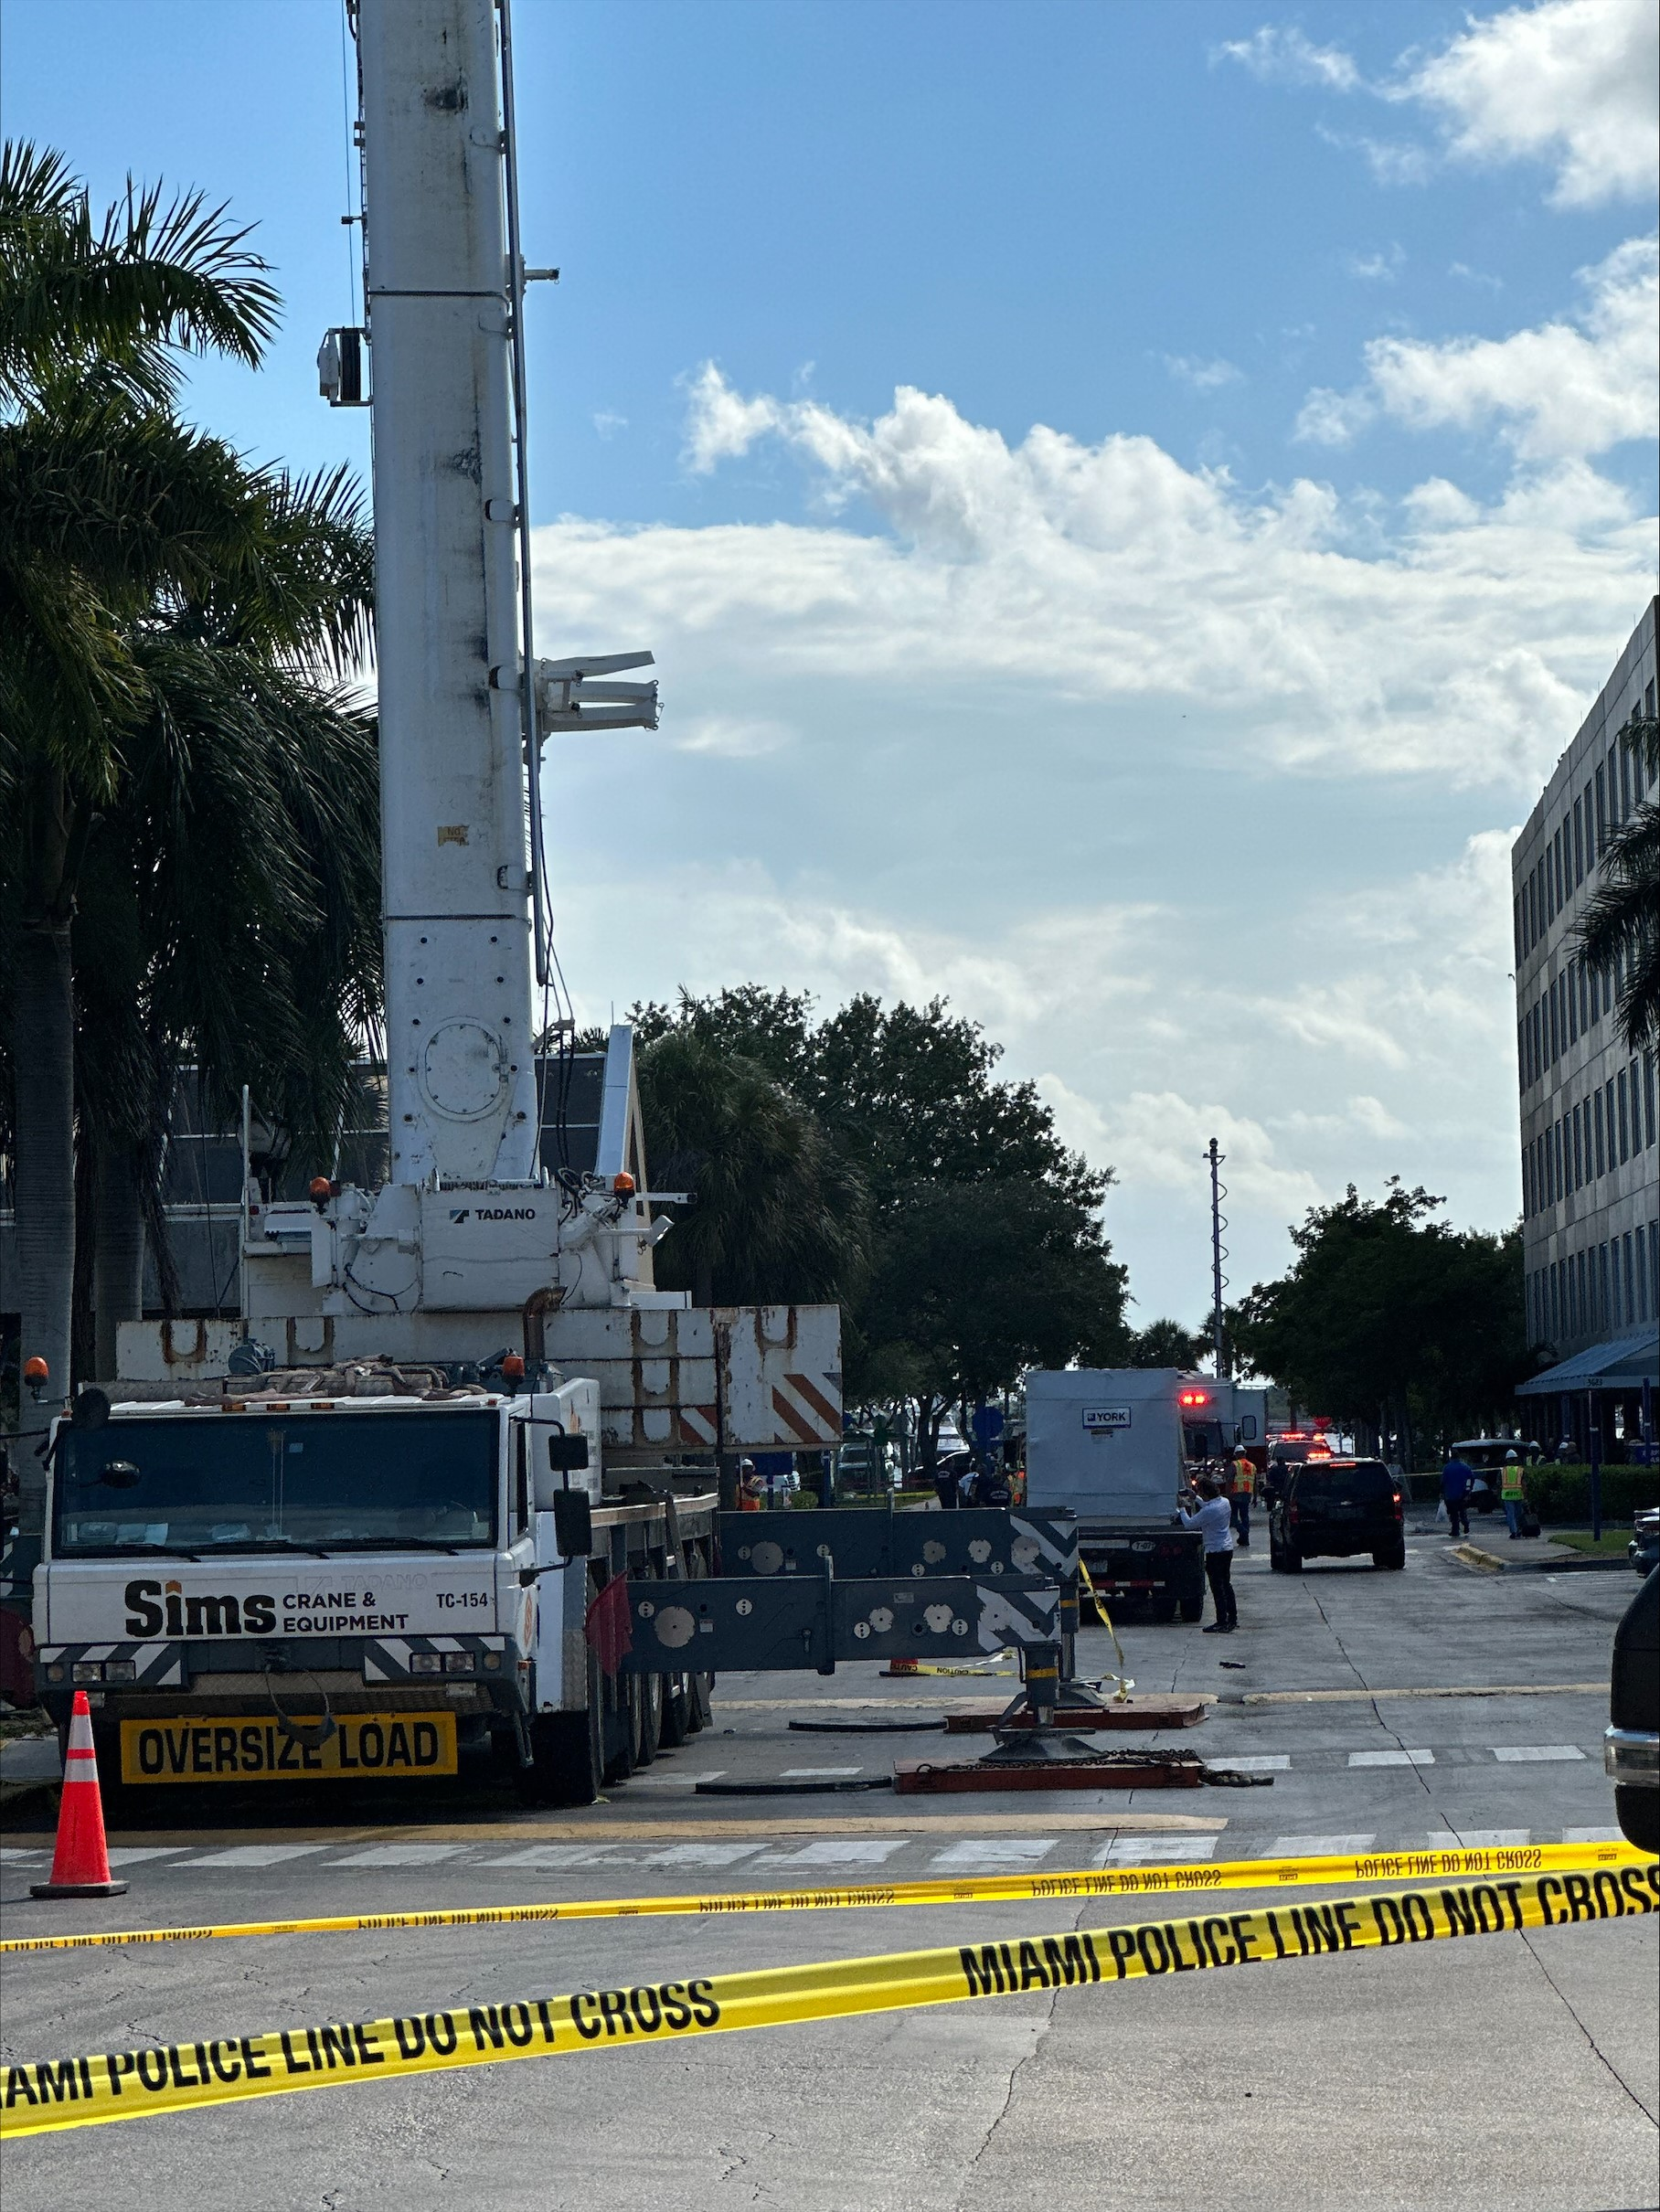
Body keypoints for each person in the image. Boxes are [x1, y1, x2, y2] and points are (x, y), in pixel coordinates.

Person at [1178, 1474, 1237, 1633]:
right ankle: (1232, 1618)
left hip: (1214, 1551)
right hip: (1226, 1548)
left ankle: (1221, 1622)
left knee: (1217, 1588)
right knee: (1226, 1584)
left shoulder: (1210, 1510)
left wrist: (1182, 1508)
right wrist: (1195, 1498)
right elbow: (1208, 1507)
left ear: (1205, 1492)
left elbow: (1189, 1524)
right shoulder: (1224, 1502)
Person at [1440, 1450, 1474, 1539]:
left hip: (1450, 1495)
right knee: (1462, 1511)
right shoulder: (1466, 1467)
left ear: (1451, 1457)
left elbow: (1443, 1481)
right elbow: (1471, 1479)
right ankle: (1465, 1524)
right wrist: (1468, 1490)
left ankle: (1455, 1530)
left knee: (1453, 1514)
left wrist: (1442, 1492)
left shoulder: (1447, 1468)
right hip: (1462, 1494)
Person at [1229, 1449, 1255, 1547]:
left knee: (1232, 1517)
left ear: (1237, 1454)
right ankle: (1245, 1540)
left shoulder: (1234, 1465)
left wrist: (1228, 1495)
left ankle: (1242, 1531)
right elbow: (1255, 1482)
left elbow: (1230, 1480)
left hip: (1235, 1494)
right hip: (1247, 1493)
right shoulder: (1252, 1466)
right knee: (1245, 1517)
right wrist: (1255, 1496)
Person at [1501, 1448, 1527, 1538]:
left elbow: (1498, 1484)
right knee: (1518, 1514)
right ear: (1515, 1459)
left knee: (1510, 1515)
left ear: (1507, 1459)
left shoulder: (1503, 1470)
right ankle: (1519, 1530)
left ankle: (1514, 1532)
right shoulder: (1520, 1470)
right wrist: (1525, 1496)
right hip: (1518, 1495)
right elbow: (1524, 1484)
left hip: (1507, 1496)